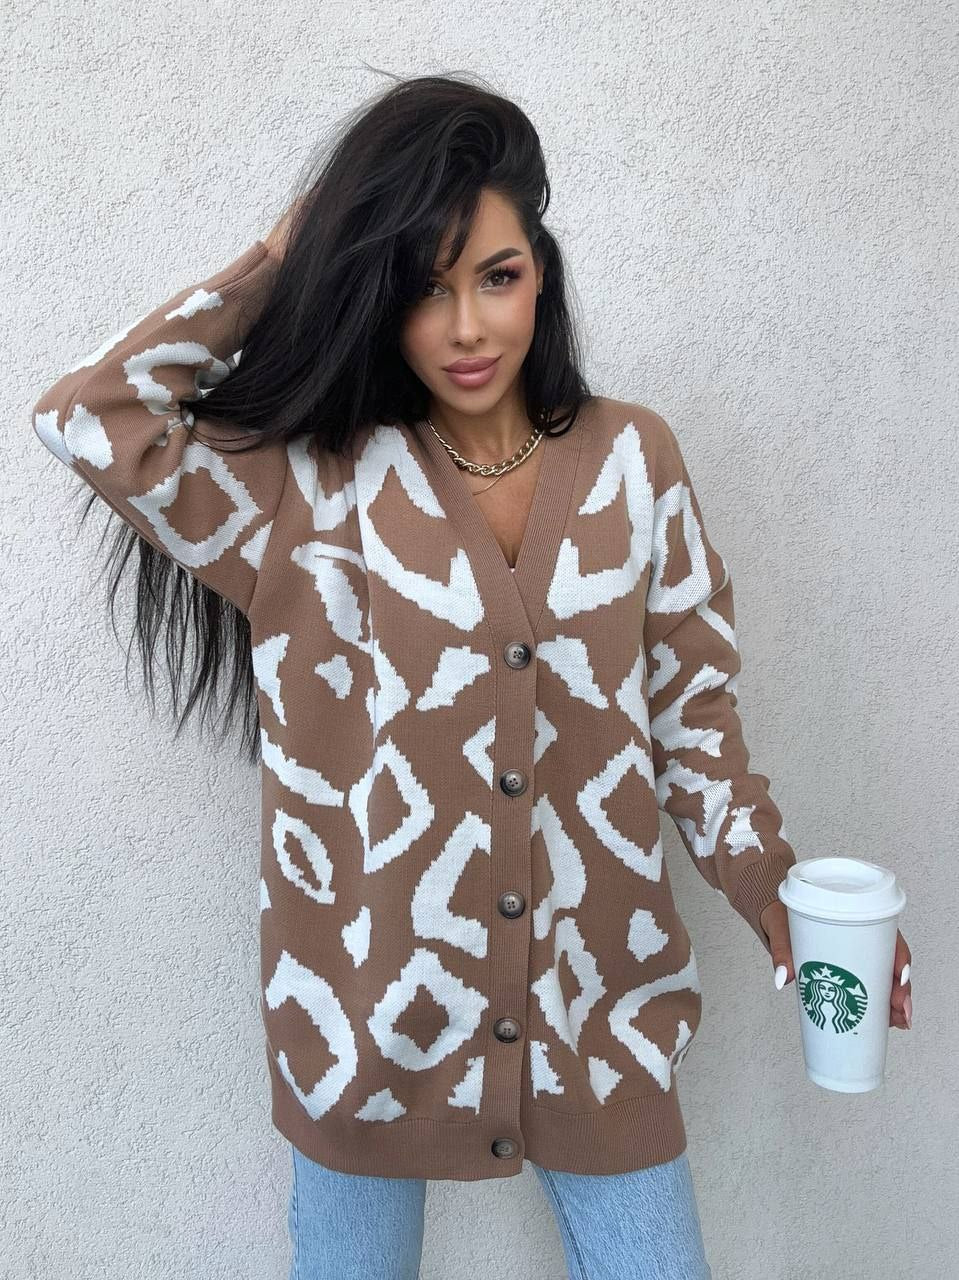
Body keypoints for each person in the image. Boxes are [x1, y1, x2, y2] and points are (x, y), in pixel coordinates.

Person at [31, 70, 912, 1280]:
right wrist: (288, 251)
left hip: (597, 1022)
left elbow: (690, 714)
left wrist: (773, 887)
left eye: (494, 277)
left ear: (538, 271)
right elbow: (92, 415)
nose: (464, 327)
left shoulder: (632, 460)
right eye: (419, 287)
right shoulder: (307, 485)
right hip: (356, 1024)